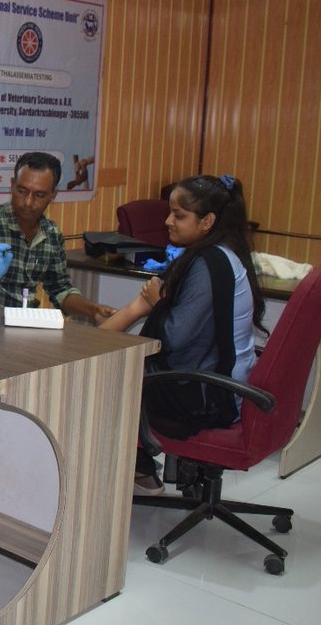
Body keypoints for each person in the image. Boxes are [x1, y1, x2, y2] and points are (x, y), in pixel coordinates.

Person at [99, 174, 266, 495]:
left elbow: (175, 338)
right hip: (223, 382)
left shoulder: (209, 262)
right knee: (122, 363)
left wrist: (156, 303)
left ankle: (137, 471)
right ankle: (141, 470)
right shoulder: (222, 253)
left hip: (211, 395)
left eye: (179, 215)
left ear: (208, 222)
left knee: (108, 377)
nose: (167, 221)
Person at [0, 151, 114, 321]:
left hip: (27, 325)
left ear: (52, 195)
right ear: (12, 185)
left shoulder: (51, 234)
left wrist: (92, 310)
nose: (28, 202)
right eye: (22, 191)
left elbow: (60, 290)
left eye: (39, 195)